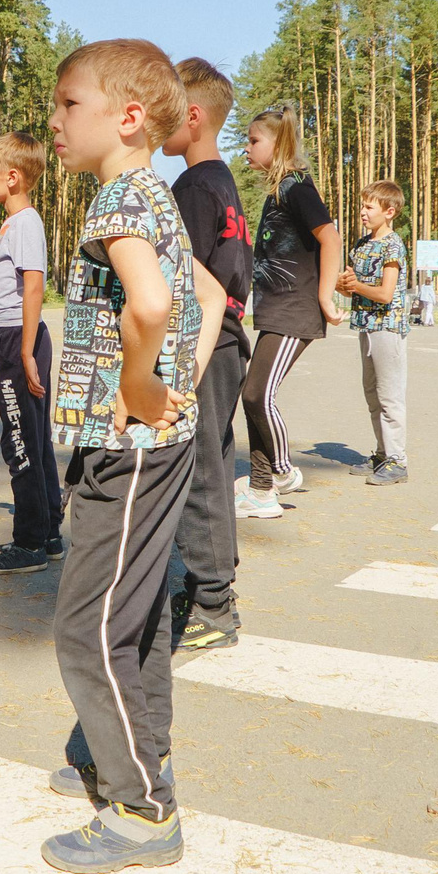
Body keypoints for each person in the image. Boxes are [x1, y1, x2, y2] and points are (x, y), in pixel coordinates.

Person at [39, 39, 221, 874]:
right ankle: (140, 761)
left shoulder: (119, 199)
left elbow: (151, 300)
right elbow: (211, 295)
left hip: (129, 446)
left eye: (70, 104)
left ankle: (143, 810)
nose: (56, 119)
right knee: (137, 617)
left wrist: (145, 383)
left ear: (129, 116)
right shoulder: (156, 196)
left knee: (88, 629)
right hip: (157, 442)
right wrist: (174, 378)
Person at [162, 57, 251, 651]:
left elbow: (187, 283)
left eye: (166, 110)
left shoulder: (193, 186)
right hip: (228, 343)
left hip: (205, 343)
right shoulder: (223, 180)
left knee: (199, 471)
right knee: (214, 463)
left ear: (191, 117)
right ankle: (211, 589)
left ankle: (214, 602)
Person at [0, 133, 65, 572]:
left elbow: (35, 286)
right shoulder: (12, 223)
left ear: (12, 177)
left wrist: (24, 353)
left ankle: (28, 545)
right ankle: (49, 532)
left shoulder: (25, 222)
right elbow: (14, 289)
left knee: (19, 439)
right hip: (11, 334)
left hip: (19, 343)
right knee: (35, 438)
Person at [234, 103, 340, 520]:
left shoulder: (296, 186)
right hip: (278, 309)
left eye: (253, 140)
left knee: (259, 393)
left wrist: (327, 297)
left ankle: (280, 469)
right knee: (251, 395)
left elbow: (330, 238)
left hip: (296, 310)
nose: (246, 148)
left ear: (278, 145)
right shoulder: (279, 191)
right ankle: (261, 491)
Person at [339, 181, 410, 485]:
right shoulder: (361, 244)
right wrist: (342, 285)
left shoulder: (392, 245)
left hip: (387, 328)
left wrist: (355, 287)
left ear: (389, 211)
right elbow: (348, 285)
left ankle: (398, 461)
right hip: (366, 327)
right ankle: (382, 454)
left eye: (369, 207)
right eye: (362, 206)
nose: (362, 213)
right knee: (373, 396)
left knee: (390, 397)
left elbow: (385, 293)